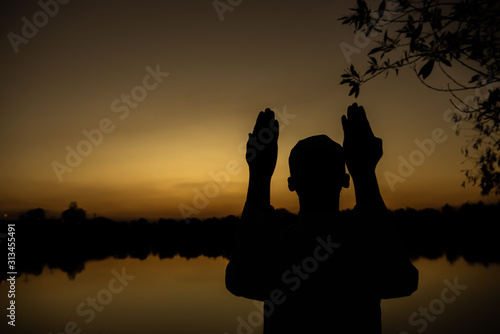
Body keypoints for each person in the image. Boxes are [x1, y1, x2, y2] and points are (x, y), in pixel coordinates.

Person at [225, 103, 418, 333]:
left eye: (321, 168)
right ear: (345, 180)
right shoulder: (362, 245)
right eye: (312, 169)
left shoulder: (277, 249)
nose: (317, 175)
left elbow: (240, 281)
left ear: (292, 184)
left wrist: (259, 175)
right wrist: (365, 173)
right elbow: (402, 281)